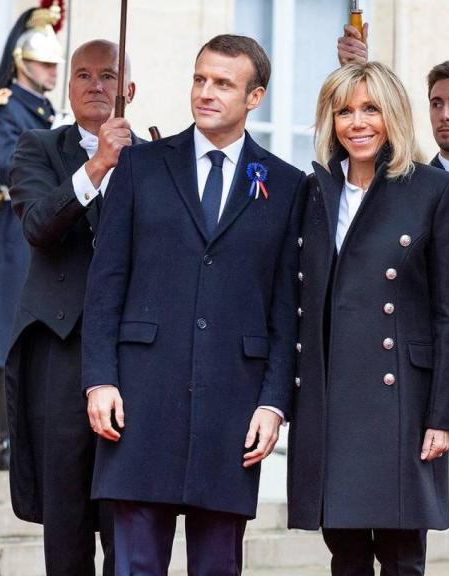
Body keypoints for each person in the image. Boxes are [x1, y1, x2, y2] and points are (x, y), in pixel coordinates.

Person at [82, 34, 303, 574]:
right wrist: (100, 380)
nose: (205, 92)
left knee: (217, 566)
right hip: (138, 399)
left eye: (223, 83)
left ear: (255, 97)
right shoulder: (139, 167)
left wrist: (274, 405)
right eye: (200, 79)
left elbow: (285, 306)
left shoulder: (288, 185)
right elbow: (106, 282)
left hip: (234, 408)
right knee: (133, 565)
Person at [339, 35, 449, 576]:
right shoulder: (404, 188)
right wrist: (358, 72)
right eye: (435, 102)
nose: (443, 113)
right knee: (402, 529)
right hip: (414, 382)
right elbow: (353, 158)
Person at [286, 61, 449, 576]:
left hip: (403, 402)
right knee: (344, 554)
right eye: (344, 111)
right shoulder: (314, 192)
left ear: (393, 116)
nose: (357, 123)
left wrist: (443, 416)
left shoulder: (433, 190)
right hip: (330, 398)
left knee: (403, 555)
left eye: (370, 109)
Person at [5, 38, 134, 576]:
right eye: (83, 75)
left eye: (107, 76)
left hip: (130, 358)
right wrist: (99, 164)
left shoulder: (153, 157)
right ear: (69, 86)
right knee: (66, 515)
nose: (95, 85)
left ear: (128, 89)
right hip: (60, 354)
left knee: (126, 517)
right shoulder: (38, 147)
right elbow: (37, 226)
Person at [0, 5, 61, 470]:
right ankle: (10, 438)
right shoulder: (2, 109)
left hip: (48, 225)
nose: (53, 72)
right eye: (45, 64)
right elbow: (12, 167)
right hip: (17, 228)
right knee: (12, 333)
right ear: (22, 63)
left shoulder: (45, 111)